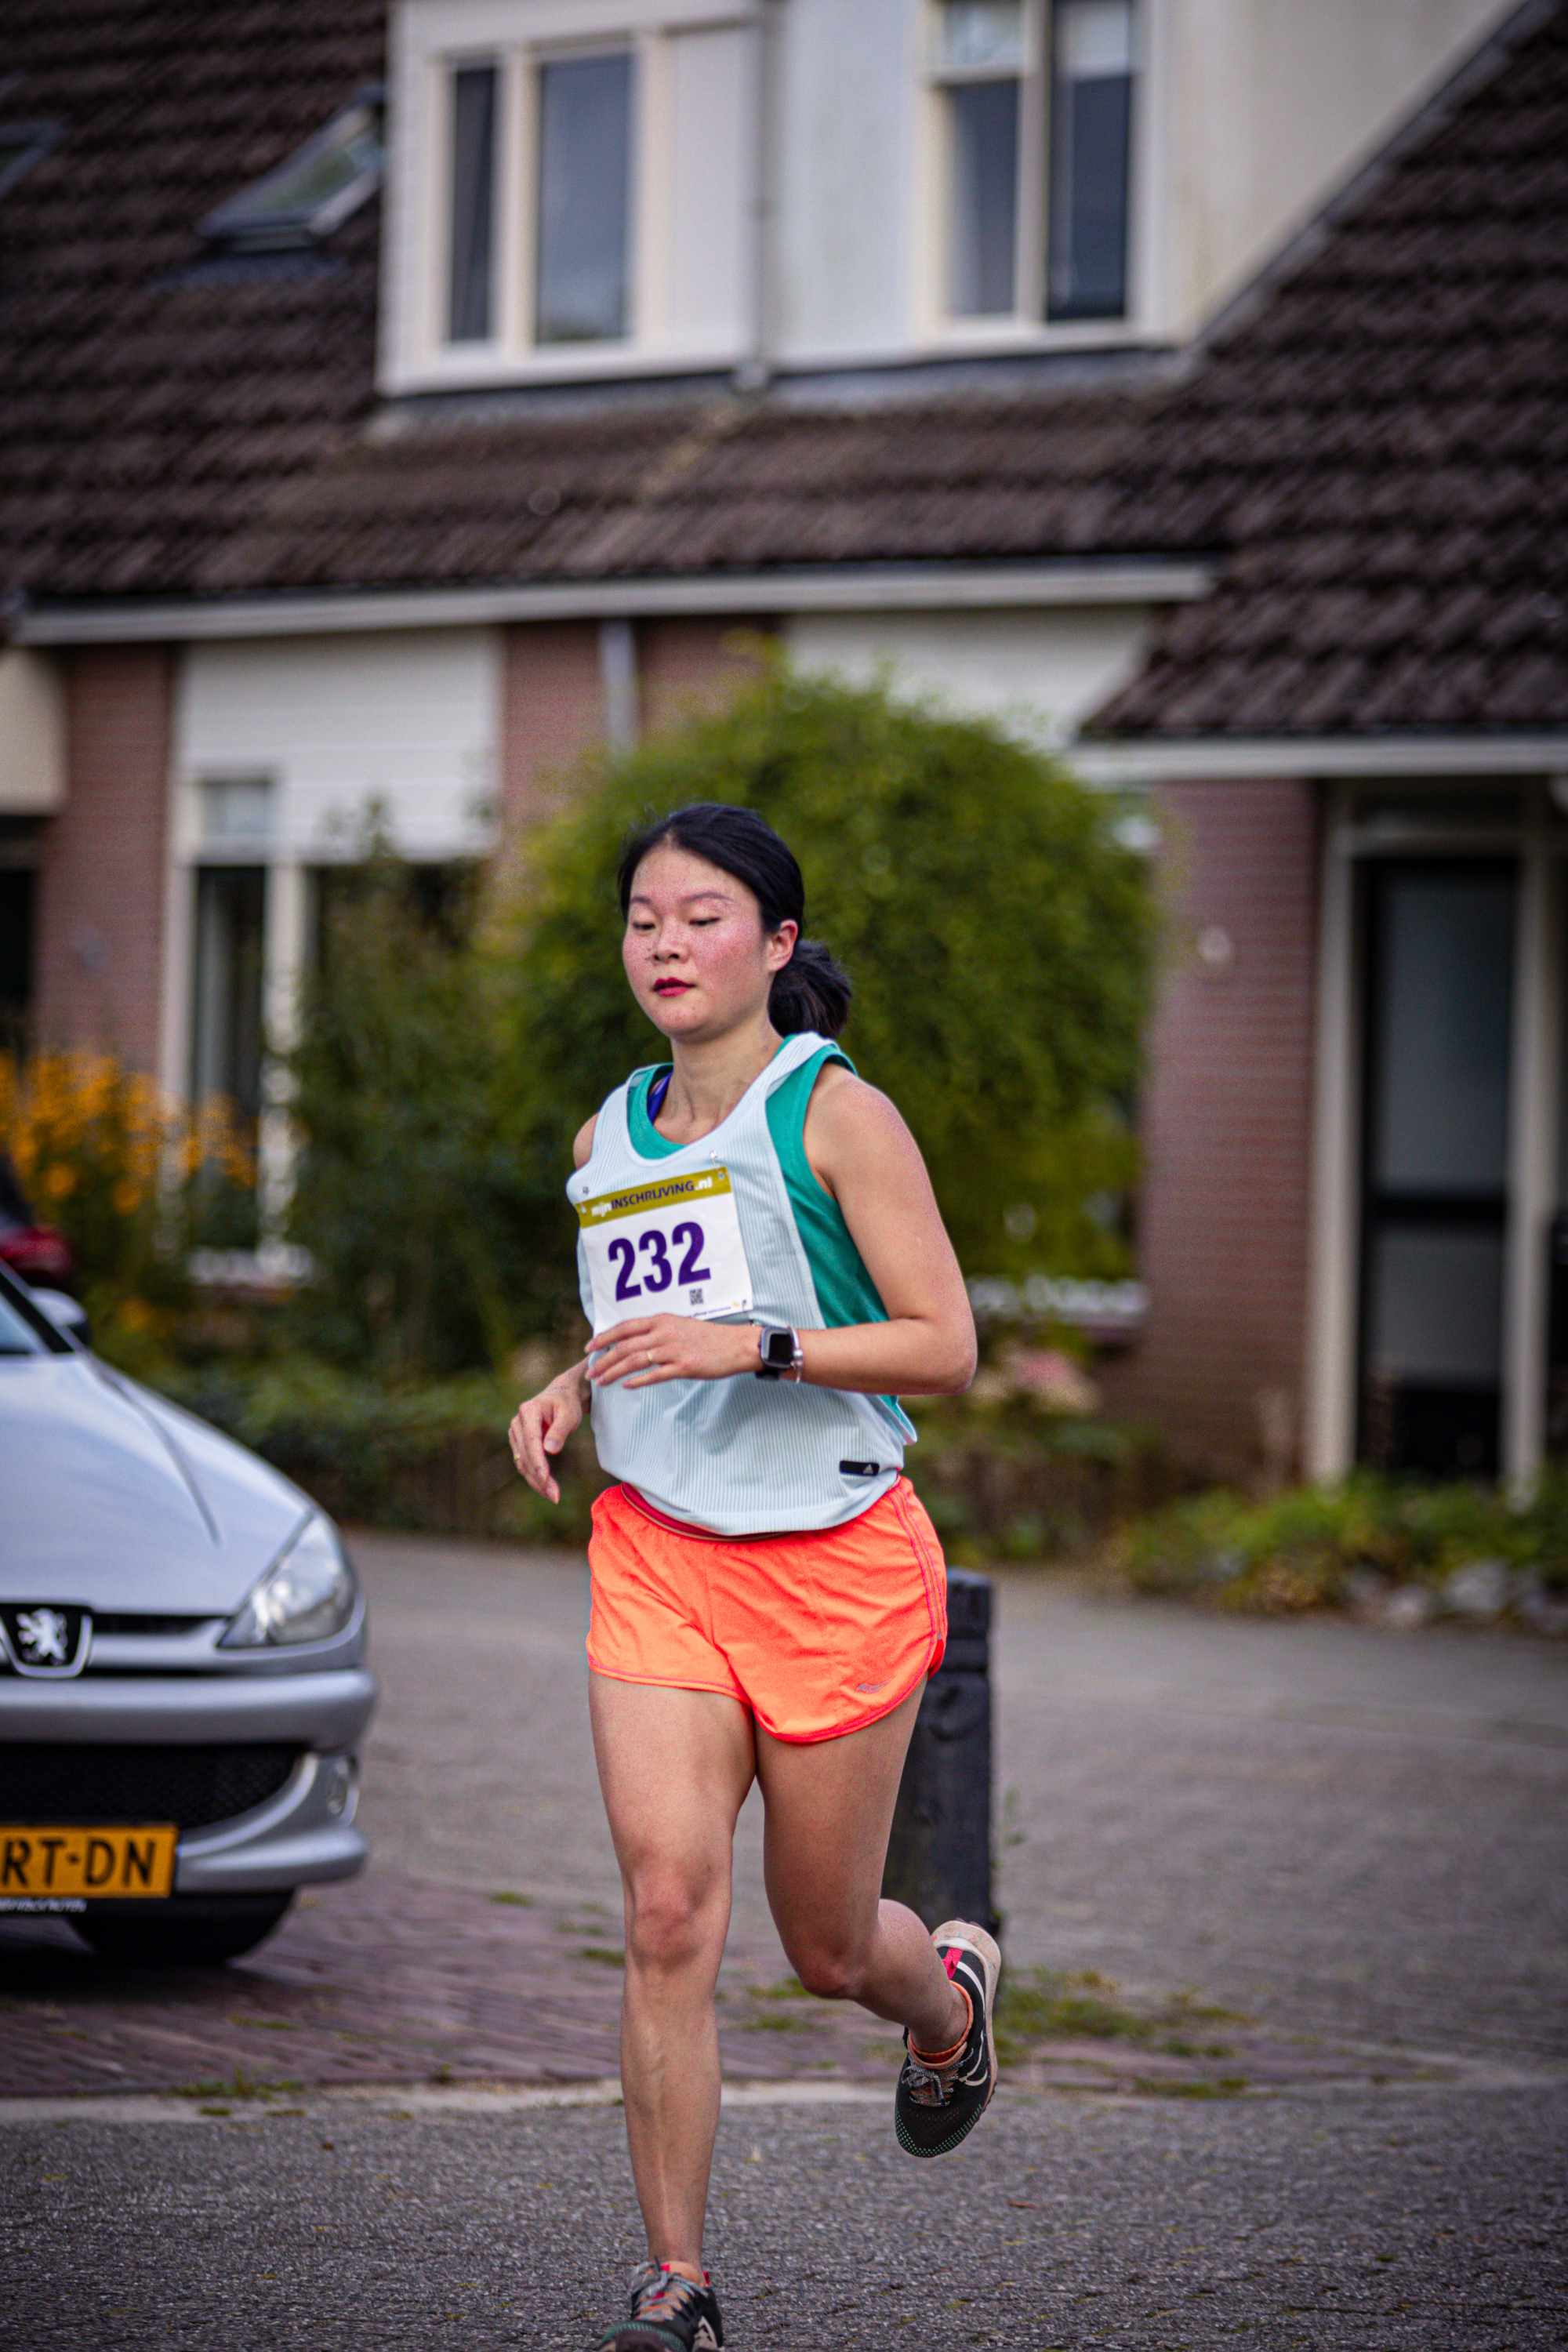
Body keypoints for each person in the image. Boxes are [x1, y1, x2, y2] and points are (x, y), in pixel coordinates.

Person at [509, 802, 1000, 2352]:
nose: (666, 941)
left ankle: (952, 2006)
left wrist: (764, 1349)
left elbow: (946, 1345)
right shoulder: (607, 1131)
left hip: (838, 1560)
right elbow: (638, 1313)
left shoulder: (835, 1113)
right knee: (665, 1914)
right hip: (660, 1555)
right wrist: (571, 1389)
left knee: (828, 1947)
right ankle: (676, 2280)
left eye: (701, 915)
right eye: (644, 916)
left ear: (776, 945)